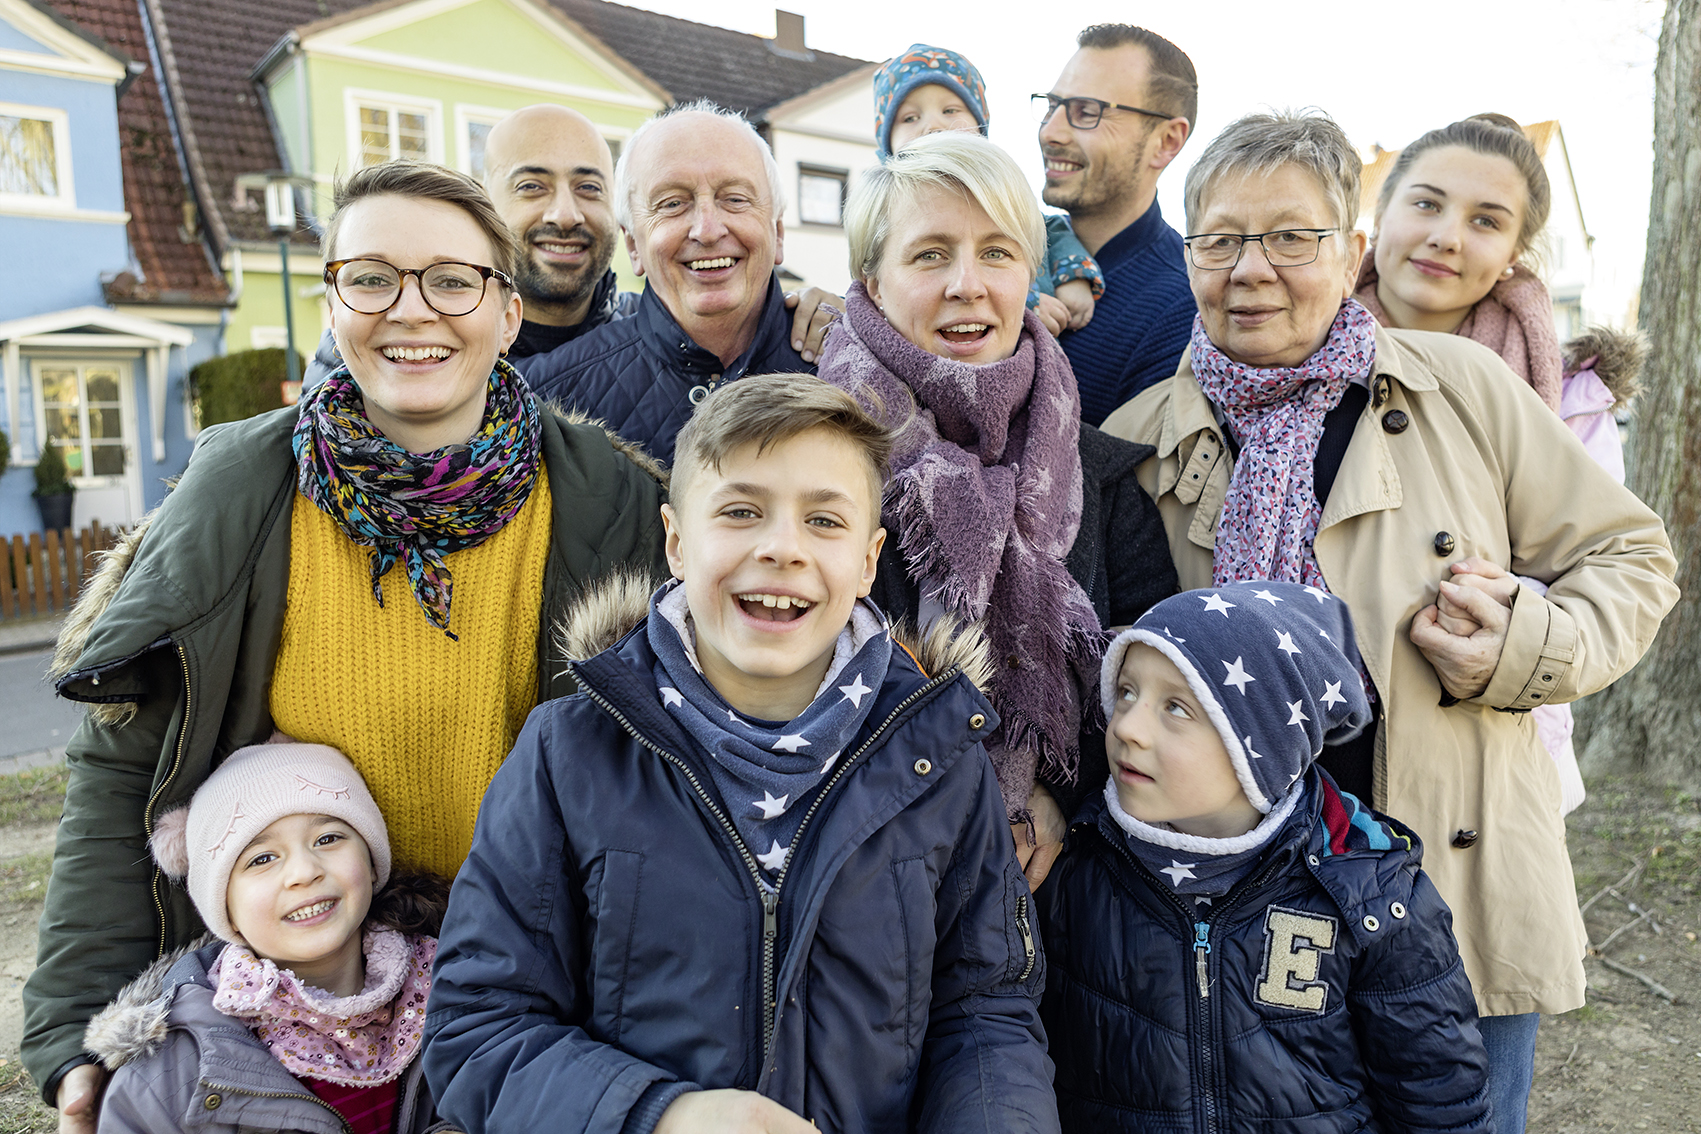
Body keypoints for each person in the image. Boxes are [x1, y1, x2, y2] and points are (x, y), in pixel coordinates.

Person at [26, 160, 669, 1131]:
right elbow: (127, 760)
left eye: (452, 280)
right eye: (372, 277)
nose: (412, 310)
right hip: (298, 1004)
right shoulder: (236, 495)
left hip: (540, 997)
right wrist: (81, 1030)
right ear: (333, 301)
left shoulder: (608, 502)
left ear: (505, 315)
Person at [1100, 109, 1678, 1134]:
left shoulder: (1465, 391)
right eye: (1221, 239)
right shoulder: (1135, 442)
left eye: (1291, 237)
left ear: (1351, 251)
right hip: (1227, 906)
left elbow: (1631, 558)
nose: (1252, 269)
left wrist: (1523, 648)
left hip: (1451, 879)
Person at [422, 374, 1059, 1134]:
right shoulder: (567, 754)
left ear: (867, 560)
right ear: (676, 542)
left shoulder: (939, 758)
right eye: (740, 512)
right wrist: (660, 1116)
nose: (781, 548)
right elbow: (478, 1030)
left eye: (824, 520)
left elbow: (985, 1011)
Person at [817, 131, 1177, 890]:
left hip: (1056, 906)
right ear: (872, 283)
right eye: (929, 254)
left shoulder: (1101, 475)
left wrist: (1058, 798)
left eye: (996, 253)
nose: (966, 284)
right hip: (855, 887)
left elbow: (1152, 687)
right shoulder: (811, 457)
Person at [1038, 582, 1491, 1133]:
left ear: (1265, 751)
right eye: (1126, 692)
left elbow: (1439, 1104)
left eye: (1177, 707)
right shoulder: (1075, 870)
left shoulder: (1372, 894)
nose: (1126, 727)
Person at [1358, 112, 1647, 813]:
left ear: (1515, 253)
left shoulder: (1570, 401)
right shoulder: (1285, 352)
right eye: (1425, 204)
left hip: (1489, 751)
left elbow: (1604, 573)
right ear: (1379, 215)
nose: (1446, 236)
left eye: (1485, 221)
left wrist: (1512, 618)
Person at [301, 104, 836, 386]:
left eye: (589, 188)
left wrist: (826, 315)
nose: (564, 214)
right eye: (531, 186)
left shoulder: (641, 327)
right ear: (485, 207)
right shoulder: (386, 347)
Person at [86, 742, 448, 1133]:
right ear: (225, 910)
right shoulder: (169, 1074)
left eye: (327, 838)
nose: (303, 872)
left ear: (373, 864)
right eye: (262, 858)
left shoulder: (454, 988)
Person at [521, 101, 815, 464]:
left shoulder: (852, 365)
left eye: (736, 199)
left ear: (779, 231)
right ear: (632, 245)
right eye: (672, 203)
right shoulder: (540, 404)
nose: (707, 230)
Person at [873, 43, 1103, 336]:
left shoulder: (999, 190)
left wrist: (1074, 276)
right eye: (910, 118)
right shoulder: (885, 212)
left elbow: (1050, 229)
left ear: (980, 129)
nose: (933, 126)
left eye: (950, 110)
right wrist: (1029, 303)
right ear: (887, 147)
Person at [1036, 24, 1197, 426]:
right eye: (1051, 105)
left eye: (1086, 111)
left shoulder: (1181, 310)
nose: (1050, 132)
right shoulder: (1007, 253)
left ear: (1166, 141)